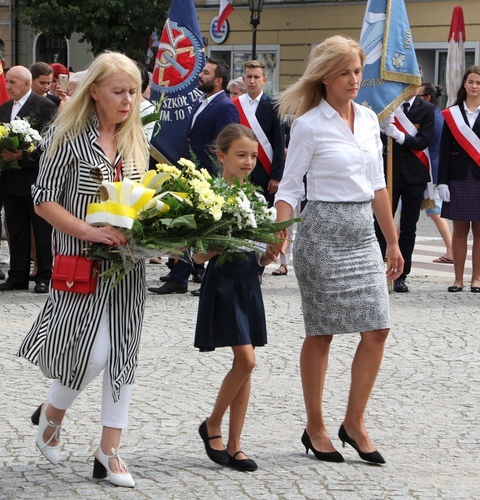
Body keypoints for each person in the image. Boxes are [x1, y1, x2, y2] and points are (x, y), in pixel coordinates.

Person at [17, 51, 148, 488]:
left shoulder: (136, 139)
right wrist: (89, 231)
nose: (128, 100)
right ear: (94, 92)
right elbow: (43, 200)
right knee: (90, 353)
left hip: (126, 267)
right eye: (118, 91)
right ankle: (52, 414)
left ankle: (109, 451)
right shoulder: (67, 135)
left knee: (122, 354)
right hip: (80, 262)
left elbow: (141, 199)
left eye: (133, 91)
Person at [274, 35, 403, 464]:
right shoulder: (308, 124)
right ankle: (315, 426)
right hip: (321, 232)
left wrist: (393, 240)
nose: (354, 79)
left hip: (362, 232)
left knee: (378, 328)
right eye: (345, 71)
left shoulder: (368, 118)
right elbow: (291, 186)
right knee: (322, 331)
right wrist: (280, 232)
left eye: (357, 70)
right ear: (325, 76)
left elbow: (378, 185)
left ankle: (354, 422)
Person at [194, 124, 279, 472]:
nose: (248, 162)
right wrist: (211, 249)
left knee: (245, 367)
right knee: (246, 361)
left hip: (249, 281)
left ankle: (235, 444)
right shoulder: (208, 196)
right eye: (241, 155)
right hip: (223, 282)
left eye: (253, 156)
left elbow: (258, 254)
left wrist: (269, 255)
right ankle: (212, 425)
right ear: (222, 156)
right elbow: (195, 256)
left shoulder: (257, 199)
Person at [149, 58, 238, 295]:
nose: (200, 75)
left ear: (218, 81)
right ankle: (179, 275)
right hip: (194, 174)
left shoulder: (225, 106)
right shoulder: (202, 102)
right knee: (190, 224)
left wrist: (217, 175)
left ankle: (204, 278)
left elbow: (226, 142)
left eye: (206, 72)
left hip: (209, 176)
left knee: (210, 229)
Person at [437, 66, 480, 293]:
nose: (474, 86)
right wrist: (442, 182)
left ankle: (476, 279)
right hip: (457, 178)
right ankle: (458, 279)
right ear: (464, 84)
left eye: (479, 82)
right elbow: (444, 150)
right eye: (471, 82)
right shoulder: (452, 113)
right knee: (459, 230)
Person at [0, 66, 57, 293]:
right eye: (7, 81)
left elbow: (50, 144)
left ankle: (44, 276)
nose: (7, 86)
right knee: (16, 228)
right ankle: (17, 275)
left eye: (12, 82)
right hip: (10, 180)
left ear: (27, 84)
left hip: (35, 178)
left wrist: (24, 156)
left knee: (41, 230)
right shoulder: (2, 109)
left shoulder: (45, 106)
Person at [377, 75, 435, 293]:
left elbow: (423, 141)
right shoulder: (385, 105)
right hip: (387, 174)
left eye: (414, 82)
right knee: (381, 224)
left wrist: (399, 136)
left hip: (414, 176)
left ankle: (402, 274)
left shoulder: (426, 109)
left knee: (409, 227)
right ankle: (378, 272)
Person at [233, 60, 285, 206]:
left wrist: (276, 176)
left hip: (265, 173)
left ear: (264, 80)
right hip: (240, 169)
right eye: (249, 77)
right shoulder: (235, 105)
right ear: (243, 79)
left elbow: (279, 143)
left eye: (256, 77)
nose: (252, 81)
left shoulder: (274, 106)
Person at [417, 82, 453, 265]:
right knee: (410, 210)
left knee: (434, 211)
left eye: (418, 96)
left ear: (427, 98)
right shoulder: (438, 115)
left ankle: (451, 249)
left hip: (430, 170)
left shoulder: (431, 116)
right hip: (432, 169)